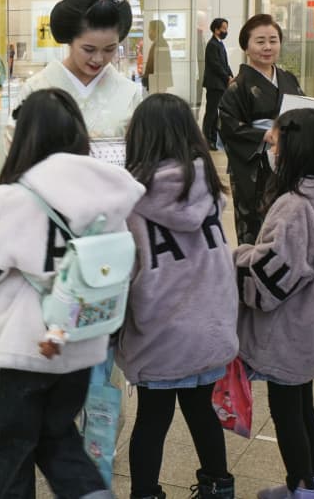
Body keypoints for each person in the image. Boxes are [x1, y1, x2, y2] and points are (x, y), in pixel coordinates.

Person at [0, 88, 145, 498]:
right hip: (81, 340)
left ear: (24, 137)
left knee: (12, 448)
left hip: (27, 346)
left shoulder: (13, 198)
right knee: (59, 438)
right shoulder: (109, 195)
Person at [235, 109, 314, 499]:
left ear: (294, 147)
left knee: (288, 412)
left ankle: (303, 489)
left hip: (288, 333)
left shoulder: (294, 206)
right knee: (304, 406)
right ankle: (312, 480)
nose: (271, 150)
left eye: (274, 143)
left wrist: (238, 258)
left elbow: (271, 281)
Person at [116, 94, 238, 499]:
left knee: (152, 420)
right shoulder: (207, 190)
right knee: (202, 410)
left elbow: (124, 270)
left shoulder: (131, 201)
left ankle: (146, 494)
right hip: (209, 327)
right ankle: (218, 487)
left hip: (160, 333)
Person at [14, 0, 141, 140]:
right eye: (88, 49)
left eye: (110, 49)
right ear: (69, 39)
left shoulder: (129, 93)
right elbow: (18, 151)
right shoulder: (37, 88)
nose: (98, 59)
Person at [219, 13, 303, 245]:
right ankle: (253, 275)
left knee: (289, 223)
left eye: (273, 40)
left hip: (287, 161)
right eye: (260, 41)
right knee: (256, 227)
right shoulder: (239, 86)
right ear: (246, 46)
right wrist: (265, 134)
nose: (267, 47)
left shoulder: (289, 79)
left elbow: (305, 113)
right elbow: (228, 125)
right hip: (254, 168)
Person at [202, 18, 234, 150]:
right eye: (224, 29)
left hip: (220, 84)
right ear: (216, 30)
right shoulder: (212, 45)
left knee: (216, 112)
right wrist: (227, 77)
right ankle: (207, 139)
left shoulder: (219, 44)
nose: (226, 31)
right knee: (211, 112)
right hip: (214, 84)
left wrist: (231, 75)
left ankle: (214, 138)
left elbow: (225, 63)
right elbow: (216, 65)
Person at [142, 19, 172, 94]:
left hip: (157, 82)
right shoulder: (158, 42)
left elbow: (160, 67)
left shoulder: (160, 43)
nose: (148, 32)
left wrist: (147, 77)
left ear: (155, 30)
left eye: (150, 30)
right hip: (155, 80)